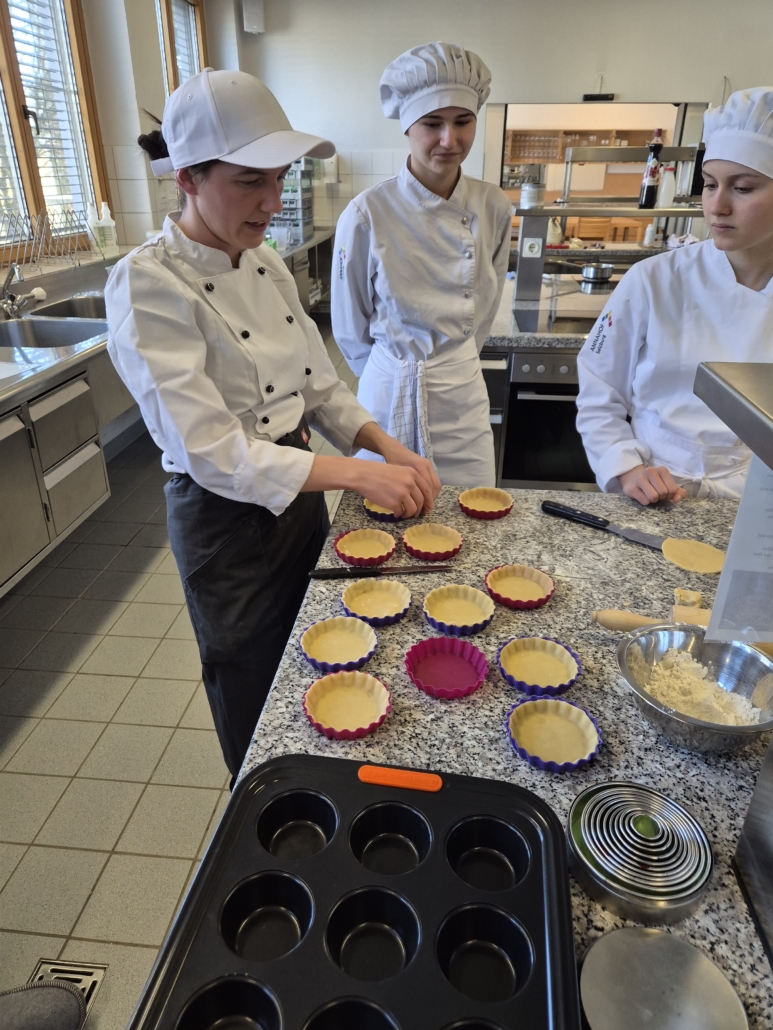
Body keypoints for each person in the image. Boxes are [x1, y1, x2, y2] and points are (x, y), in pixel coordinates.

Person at [105, 69, 440, 778]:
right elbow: (212, 451)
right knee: (254, 684)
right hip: (223, 521)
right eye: (249, 182)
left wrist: (388, 447)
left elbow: (319, 387)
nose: (272, 201)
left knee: (319, 658)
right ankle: (260, 804)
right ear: (187, 179)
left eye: (279, 178)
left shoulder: (264, 263)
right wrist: (358, 476)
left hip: (300, 494)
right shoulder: (147, 283)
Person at [576, 87, 773, 505]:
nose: (717, 206)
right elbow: (599, 388)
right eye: (710, 185)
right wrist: (626, 469)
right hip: (653, 486)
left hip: (758, 498)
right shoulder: (655, 279)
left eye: (742, 188)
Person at [331, 41, 512, 487]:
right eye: (433, 123)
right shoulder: (367, 212)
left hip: (461, 399)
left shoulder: (492, 206)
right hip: (387, 395)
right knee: (381, 519)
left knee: (473, 512)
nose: (450, 139)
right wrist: (393, 373)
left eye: (463, 121)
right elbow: (349, 326)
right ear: (407, 126)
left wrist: (451, 364)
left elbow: (485, 306)